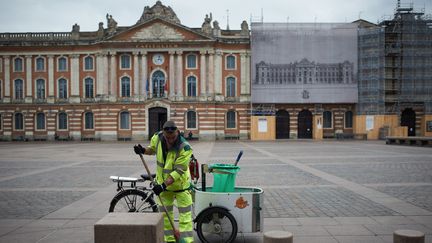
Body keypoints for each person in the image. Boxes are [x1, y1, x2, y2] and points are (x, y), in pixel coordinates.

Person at [134, 120, 193, 243]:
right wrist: (143, 150)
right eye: (167, 137)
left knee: (185, 217)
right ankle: (170, 240)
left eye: (173, 137)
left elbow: (178, 171)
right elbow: (152, 149)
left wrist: (162, 185)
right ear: (164, 134)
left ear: (177, 132)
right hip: (163, 186)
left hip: (181, 186)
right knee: (166, 217)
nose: (170, 140)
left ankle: (186, 241)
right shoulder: (157, 137)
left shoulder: (185, 148)